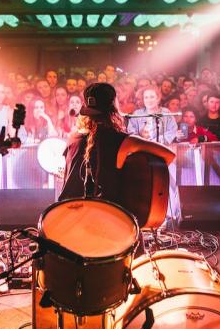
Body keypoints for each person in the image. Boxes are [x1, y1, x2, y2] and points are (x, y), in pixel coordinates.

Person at [59, 83, 175, 206]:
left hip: (64, 212)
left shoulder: (72, 137)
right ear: (114, 106)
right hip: (103, 214)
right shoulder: (123, 140)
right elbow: (169, 155)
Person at [127, 86, 180, 224]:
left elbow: (172, 131)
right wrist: (143, 140)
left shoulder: (166, 112)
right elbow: (131, 132)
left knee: (167, 183)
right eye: (146, 97)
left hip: (162, 153)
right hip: (143, 154)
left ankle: (168, 217)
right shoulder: (137, 113)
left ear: (158, 98)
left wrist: (158, 142)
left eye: (152, 97)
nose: (149, 100)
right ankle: (143, 216)